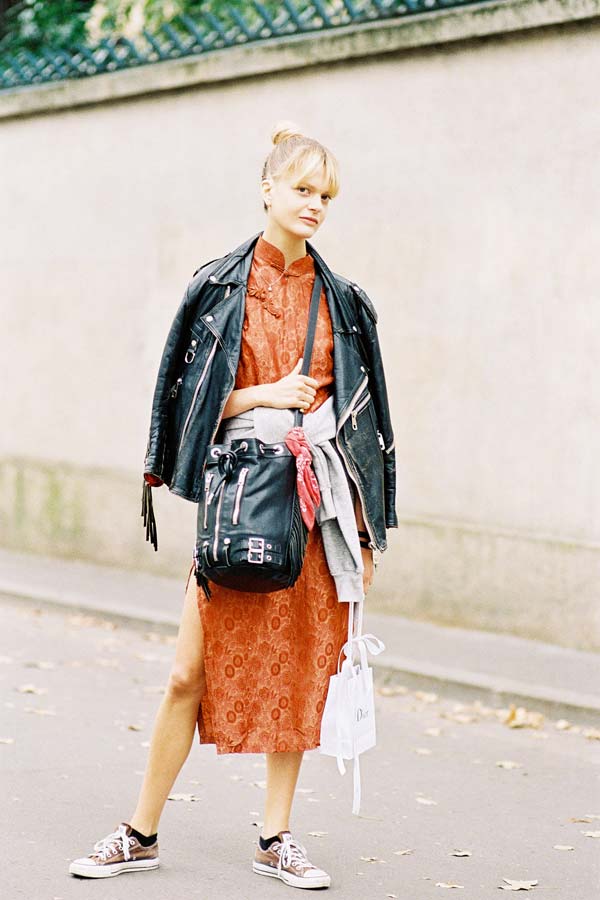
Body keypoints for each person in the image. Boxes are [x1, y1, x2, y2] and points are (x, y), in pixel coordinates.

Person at [69, 121, 397, 889]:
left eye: (326, 195)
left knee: (301, 674)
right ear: (267, 188)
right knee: (188, 673)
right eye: (302, 189)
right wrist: (260, 395)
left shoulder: (347, 302)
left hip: (318, 514)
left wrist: (367, 534)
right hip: (242, 503)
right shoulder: (217, 288)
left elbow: (369, 424)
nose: (315, 205)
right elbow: (182, 402)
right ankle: (139, 832)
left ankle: (276, 838)